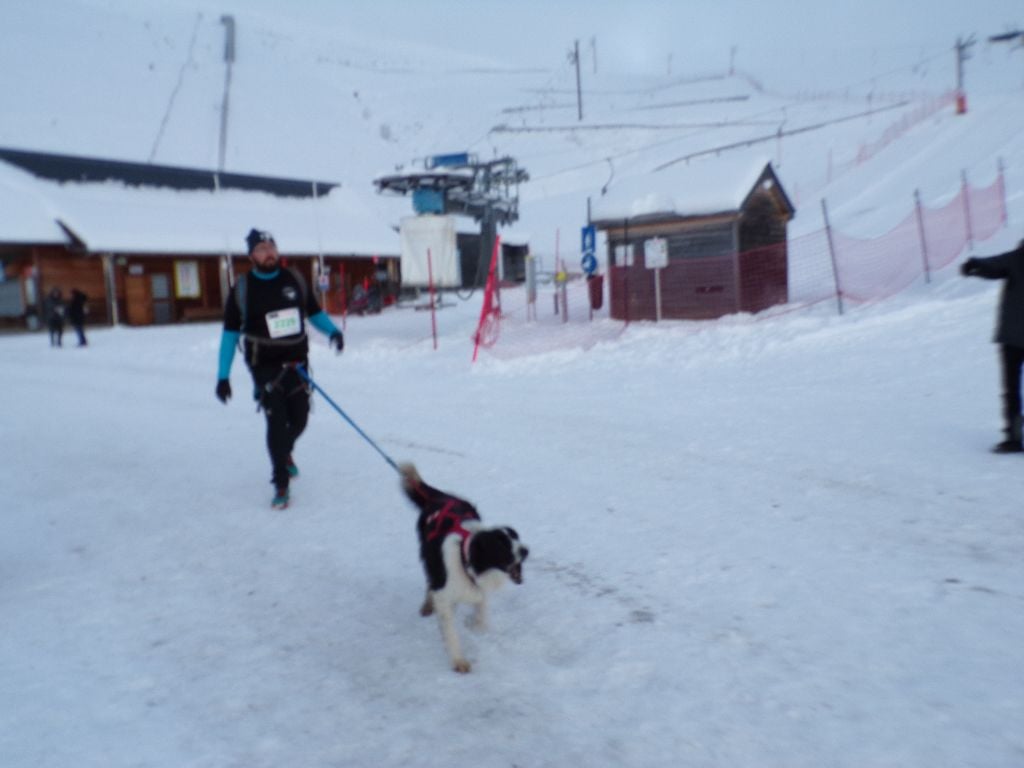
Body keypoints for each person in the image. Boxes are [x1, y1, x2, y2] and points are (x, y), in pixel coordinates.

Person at [215, 228, 345, 508]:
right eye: (261, 248)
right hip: (264, 366)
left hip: (298, 363)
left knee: (300, 419)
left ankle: (284, 452)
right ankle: (281, 483)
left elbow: (313, 312)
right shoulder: (242, 289)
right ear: (251, 255)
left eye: (271, 246)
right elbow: (229, 335)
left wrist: (333, 332)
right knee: (276, 422)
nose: (268, 252)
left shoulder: (294, 279)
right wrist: (223, 377)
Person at [961, 239, 1024, 453]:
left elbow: (993, 265)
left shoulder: (1016, 258)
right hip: (1012, 337)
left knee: (1011, 388)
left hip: (1012, 339)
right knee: (1012, 388)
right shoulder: (1015, 258)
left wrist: (973, 266)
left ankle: (1013, 437)